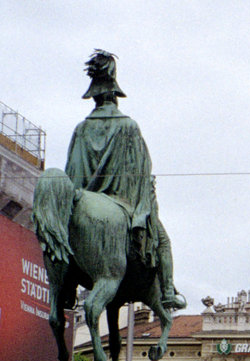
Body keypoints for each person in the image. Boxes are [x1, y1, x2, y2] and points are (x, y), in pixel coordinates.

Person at [65, 50, 185, 311]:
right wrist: (144, 210)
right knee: (163, 242)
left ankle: (66, 287)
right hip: (124, 204)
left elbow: (72, 174)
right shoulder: (128, 126)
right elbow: (142, 173)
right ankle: (168, 292)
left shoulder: (81, 129)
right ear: (114, 94)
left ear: (94, 94)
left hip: (83, 202)